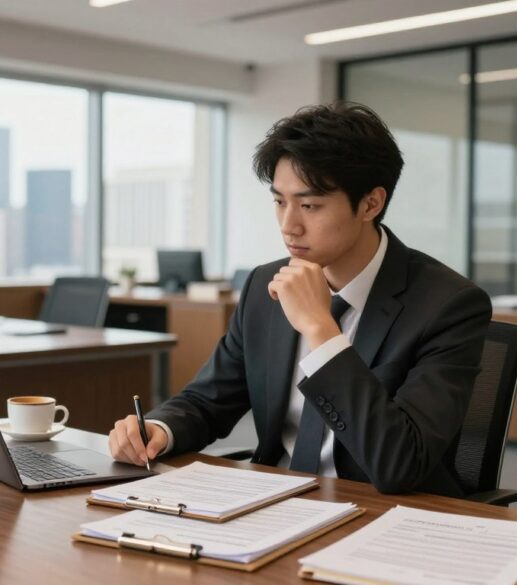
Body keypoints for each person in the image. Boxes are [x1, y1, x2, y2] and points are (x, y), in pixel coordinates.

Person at [108, 102, 492, 497]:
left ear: (370, 204)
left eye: (309, 206)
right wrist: (159, 428)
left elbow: (400, 464)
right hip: (274, 503)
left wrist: (321, 330)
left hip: (378, 516)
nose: (288, 225)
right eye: (279, 201)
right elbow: (209, 398)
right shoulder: (265, 285)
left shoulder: (449, 306)